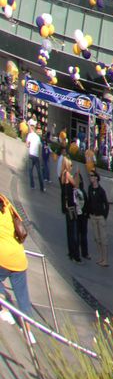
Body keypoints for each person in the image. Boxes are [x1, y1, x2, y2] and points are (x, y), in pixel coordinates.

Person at [0, 193, 33, 335]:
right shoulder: (6, 203)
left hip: (3, 256)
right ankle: (29, 331)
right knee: (23, 296)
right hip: (19, 256)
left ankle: (4, 307)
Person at [85, 171, 110, 267]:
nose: (90, 177)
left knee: (103, 239)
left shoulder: (101, 191)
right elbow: (89, 201)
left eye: (92, 176)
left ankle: (105, 259)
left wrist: (104, 216)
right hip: (93, 216)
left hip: (100, 217)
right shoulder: (90, 188)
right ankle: (101, 257)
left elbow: (106, 204)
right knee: (97, 238)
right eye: (90, 176)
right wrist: (88, 213)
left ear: (96, 178)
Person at [25, 126, 42, 192]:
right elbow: (40, 146)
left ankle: (32, 185)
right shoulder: (38, 137)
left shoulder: (30, 135)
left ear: (31, 129)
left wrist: (29, 145)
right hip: (36, 156)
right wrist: (40, 156)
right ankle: (42, 187)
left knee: (30, 171)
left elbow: (27, 145)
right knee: (39, 172)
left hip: (31, 155)